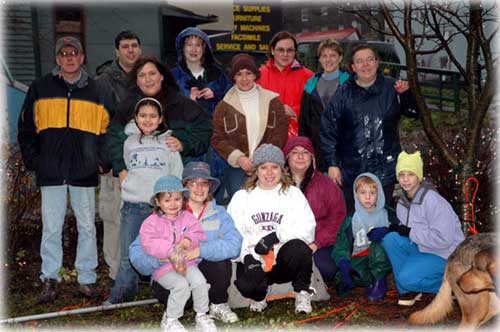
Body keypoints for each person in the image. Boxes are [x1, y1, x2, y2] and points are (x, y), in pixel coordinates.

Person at [17, 36, 111, 302]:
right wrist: (36, 161)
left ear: (82, 58)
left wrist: (102, 161)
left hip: (84, 171)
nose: (69, 57)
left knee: (87, 226)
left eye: (74, 53)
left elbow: (109, 129)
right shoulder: (40, 87)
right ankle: (50, 278)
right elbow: (26, 129)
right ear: (57, 59)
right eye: (64, 53)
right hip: (51, 171)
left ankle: (87, 279)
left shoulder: (98, 90)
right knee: (51, 227)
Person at [128, 161, 243, 323]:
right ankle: (172, 314)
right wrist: (158, 260)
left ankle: (218, 304)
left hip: (204, 277)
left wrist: (199, 251)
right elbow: (136, 252)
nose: (199, 188)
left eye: (204, 183)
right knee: (177, 287)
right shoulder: (164, 214)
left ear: (210, 187)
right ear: (184, 187)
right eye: (193, 183)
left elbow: (235, 244)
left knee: (219, 260)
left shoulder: (219, 213)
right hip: (173, 272)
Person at [320, 44, 418, 214]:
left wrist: (407, 95)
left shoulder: (393, 88)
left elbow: (414, 113)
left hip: (385, 169)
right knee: (353, 219)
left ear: (377, 62)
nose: (365, 65)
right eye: (359, 61)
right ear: (353, 67)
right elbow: (328, 128)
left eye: (369, 60)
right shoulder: (343, 93)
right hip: (352, 170)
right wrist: (332, 164)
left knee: (381, 219)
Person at [105, 97, 184, 304]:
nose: (147, 120)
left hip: (160, 210)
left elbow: (176, 173)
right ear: (136, 118)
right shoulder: (129, 142)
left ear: (160, 119)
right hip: (133, 205)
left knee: (160, 250)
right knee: (128, 252)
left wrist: (171, 202)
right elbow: (128, 169)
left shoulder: (168, 143)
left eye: (152, 116)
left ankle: (162, 289)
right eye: (143, 116)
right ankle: (123, 292)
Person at [227, 144, 316, 314]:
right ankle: (260, 295)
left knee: (299, 247)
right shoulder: (242, 197)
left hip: (283, 259)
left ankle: (302, 292)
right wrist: (246, 257)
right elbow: (233, 233)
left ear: (282, 170)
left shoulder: (293, 194)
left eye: (274, 167)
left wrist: (275, 236)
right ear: (255, 171)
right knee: (247, 286)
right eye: (263, 167)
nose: (269, 173)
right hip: (255, 258)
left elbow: (308, 229)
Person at [382, 151, 464, 306]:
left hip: (446, 254)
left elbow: (444, 240)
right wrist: (397, 229)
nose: (405, 179)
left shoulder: (433, 200)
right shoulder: (402, 202)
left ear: (419, 176)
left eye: (411, 174)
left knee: (406, 278)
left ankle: (455, 286)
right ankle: (408, 291)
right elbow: (409, 230)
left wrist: (410, 232)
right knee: (390, 239)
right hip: (424, 248)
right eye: (401, 174)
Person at [139, 175, 216, 332]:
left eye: (177, 199)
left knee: (200, 282)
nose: (173, 204)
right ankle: (171, 319)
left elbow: (198, 232)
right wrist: (169, 251)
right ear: (158, 202)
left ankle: (202, 315)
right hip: (164, 267)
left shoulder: (187, 217)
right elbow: (149, 243)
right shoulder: (151, 222)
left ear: (183, 199)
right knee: (180, 286)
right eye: (167, 200)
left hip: (187, 263)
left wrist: (188, 239)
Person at [96, 30, 142, 281]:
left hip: (142, 163)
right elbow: (97, 124)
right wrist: (105, 160)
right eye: (125, 46)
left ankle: (139, 270)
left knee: (141, 217)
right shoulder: (104, 81)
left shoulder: (146, 77)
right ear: (117, 51)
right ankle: (116, 272)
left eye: (134, 45)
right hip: (114, 163)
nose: (131, 50)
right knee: (113, 218)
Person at [211, 54, 288, 199]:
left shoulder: (273, 101)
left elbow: (280, 133)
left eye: (248, 73)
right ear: (233, 77)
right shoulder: (223, 106)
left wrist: (263, 158)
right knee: (241, 210)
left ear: (255, 75)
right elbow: (217, 138)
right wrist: (239, 158)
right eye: (239, 74)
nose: (244, 79)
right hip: (238, 169)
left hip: (267, 167)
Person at [172, 27, 232, 204]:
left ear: (204, 48)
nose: (193, 49)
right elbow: (165, 109)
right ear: (182, 48)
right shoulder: (172, 77)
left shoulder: (219, 75)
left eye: (198, 45)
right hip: (188, 149)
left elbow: (233, 103)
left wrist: (217, 94)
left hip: (216, 150)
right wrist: (186, 98)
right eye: (189, 45)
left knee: (215, 200)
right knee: (189, 202)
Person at [282, 136, 346, 284]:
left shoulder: (325, 184)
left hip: (317, 242)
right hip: (285, 241)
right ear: (287, 157)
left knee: (326, 269)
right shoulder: (278, 185)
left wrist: (317, 242)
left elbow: (337, 217)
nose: (300, 157)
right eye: (295, 152)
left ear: (312, 158)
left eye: (305, 152)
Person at [331, 173, 393, 301]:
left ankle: (379, 282)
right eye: (363, 193)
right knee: (348, 275)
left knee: (377, 245)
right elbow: (341, 244)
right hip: (360, 258)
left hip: (380, 258)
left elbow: (400, 234)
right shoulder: (352, 218)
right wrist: (343, 263)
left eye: (372, 193)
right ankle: (363, 280)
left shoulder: (388, 215)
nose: (368, 197)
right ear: (356, 194)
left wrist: (388, 231)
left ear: (379, 194)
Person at [299, 39, 349, 172]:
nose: (328, 60)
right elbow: (304, 123)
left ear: (340, 57)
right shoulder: (310, 85)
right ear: (319, 59)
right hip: (317, 150)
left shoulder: (350, 84)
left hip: (344, 150)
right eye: (324, 56)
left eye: (332, 55)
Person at [257, 31, 313, 139]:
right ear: (272, 51)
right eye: (281, 50)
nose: (285, 54)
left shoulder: (309, 77)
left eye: (290, 50)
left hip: (297, 142)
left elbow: (316, 110)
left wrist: (295, 112)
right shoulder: (258, 76)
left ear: (295, 52)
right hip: (266, 139)